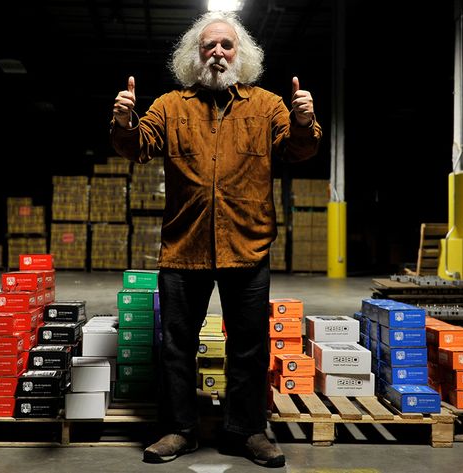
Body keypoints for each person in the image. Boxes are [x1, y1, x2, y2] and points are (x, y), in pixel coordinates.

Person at [111, 10, 321, 468]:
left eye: (226, 45)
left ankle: (246, 431)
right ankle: (178, 430)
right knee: (175, 345)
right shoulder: (170, 105)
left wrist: (305, 121)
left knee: (249, 346)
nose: (218, 52)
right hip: (183, 247)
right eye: (209, 45)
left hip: (247, 245)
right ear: (195, 54)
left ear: (241, 53)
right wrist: (126, 122)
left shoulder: (266, 105)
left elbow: (298, 150)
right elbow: (139, 146)